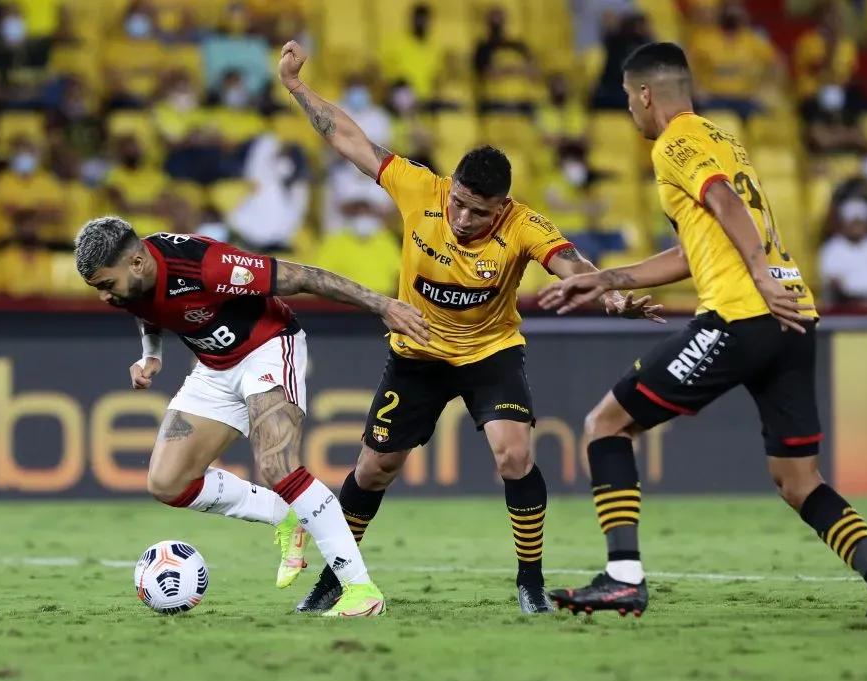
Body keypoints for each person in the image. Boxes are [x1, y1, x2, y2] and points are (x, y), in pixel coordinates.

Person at [538, 42, 867, 625]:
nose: (628, 112)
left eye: (627, 99)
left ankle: (622, 578)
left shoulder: (676, 143)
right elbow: (700, 244)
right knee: (798, 481)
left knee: (604, 426)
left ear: (645, 94)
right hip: (793, 318)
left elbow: (720, 199)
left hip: (742, 316)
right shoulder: (722, 138)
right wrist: (611, 278)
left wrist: (760, 275)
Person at [275, 40, 664, 615]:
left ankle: (530, 581)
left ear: (502, 207)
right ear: (449, 187)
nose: (463, 218)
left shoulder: (525, 225)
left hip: (490, 353)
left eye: (479, 212)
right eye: (458, 202)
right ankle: (339, 576)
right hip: (418, 351)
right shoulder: (418, 189)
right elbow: (351, 141)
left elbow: (569, 263)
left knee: (514, 456)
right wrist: (296, 87)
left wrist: (606, 291)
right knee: (373, 468)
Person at [74, 217, 431, 617]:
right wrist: (152, 354)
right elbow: (145, 305)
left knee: (278, 467)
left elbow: (304, 277)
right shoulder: (132, 278)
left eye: (106, 285)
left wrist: (383, 305)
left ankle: (360, 591)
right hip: (214, 365)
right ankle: (284, 514)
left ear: (137, 263)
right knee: (167, 482)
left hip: (268, 346)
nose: (105, 298)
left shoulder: (207, 266)